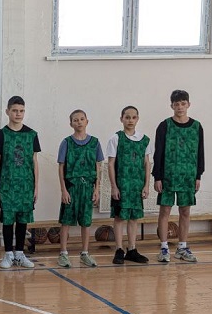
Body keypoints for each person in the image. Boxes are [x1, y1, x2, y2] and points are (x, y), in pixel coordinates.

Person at [153, 89, 205, 263]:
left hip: (188, 176)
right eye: (177, 104)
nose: (180, 107)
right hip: (168, 176)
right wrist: (157, 176)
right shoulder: (164, 126)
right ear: (172, 106)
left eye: (183, 104)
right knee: (165, 211)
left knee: (185, 211)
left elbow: (200, 152)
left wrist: (198, 175)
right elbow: (158, 153)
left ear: (188, 104)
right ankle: (164, 248)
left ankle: (182, 247)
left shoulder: (197, 126)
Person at [0, 95, 39, 270]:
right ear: (7, 111)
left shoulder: (32, 135)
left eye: (21, 111)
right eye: (15, 110)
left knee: (23, 219)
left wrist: (36, 187)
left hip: (26, 185)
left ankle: (19, 253)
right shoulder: (1, 135)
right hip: (7, 185)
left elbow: (34, 162)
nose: (18, 114)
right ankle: (8, 254)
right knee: (8, 220)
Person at [57, 109, 103, 268]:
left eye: (82, 119)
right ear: (71, 123)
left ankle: (85, 253)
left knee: (86, 222)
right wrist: (63, 190)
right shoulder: (66, 142)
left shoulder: (95, 142)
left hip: (87, 187)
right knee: (66, 221)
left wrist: (96, 189)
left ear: (87, 121)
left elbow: (98, 166)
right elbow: (61, 167)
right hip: (71, 186)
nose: (79, 122)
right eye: (75, 120)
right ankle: (63, 253)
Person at [106, 106, 152, 265]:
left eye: (133, 117)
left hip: (137, 185)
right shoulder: (116, 138)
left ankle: (132, 249)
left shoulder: (144, 140)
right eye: (127, 117)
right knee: (120, 217)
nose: (130, 120)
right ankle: (119, 249)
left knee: (133, 218)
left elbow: (147, 163)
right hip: (122, 185)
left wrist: (146, 185)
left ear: (137, 119)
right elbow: (110, 164)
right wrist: (114, 186)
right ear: (121, 119)